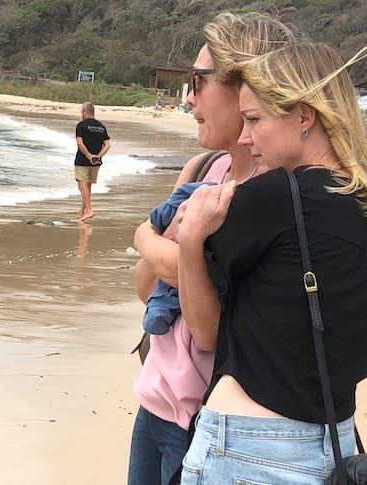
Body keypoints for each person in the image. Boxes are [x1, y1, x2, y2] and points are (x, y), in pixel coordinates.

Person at [176, 42, 367, 484]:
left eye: (254, 120)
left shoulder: (273, 199)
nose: (245, 138)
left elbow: (206, 332)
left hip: (246, 449)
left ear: (305, 116)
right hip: (336, 445)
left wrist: (190, 239)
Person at [128, 12, 295, 485]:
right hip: (155, 401)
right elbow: (145, 286)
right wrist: (169, 251)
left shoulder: (275, 193)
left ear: (244, 85)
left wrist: (151, 238)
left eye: (199, 81)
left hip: (216, 423)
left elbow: (210, 331)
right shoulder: (203, 169)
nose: (190, 97)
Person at [73, 102, 110, 221]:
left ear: (84, 112)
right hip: (96, 163)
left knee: (82, 186)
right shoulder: (101, 126)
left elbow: (79, 143)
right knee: (87, 189)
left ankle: (89, 211)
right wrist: (97, 157)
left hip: (83, 161)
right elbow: (107, 145)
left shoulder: (81, 125)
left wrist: (89, 156)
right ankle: (82, 212)